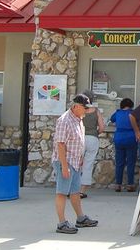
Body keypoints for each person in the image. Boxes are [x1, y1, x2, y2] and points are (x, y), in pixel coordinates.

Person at [52, 94, 98, 234]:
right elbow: (60, 144)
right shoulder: (64, 121)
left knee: (75, 192)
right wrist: (64, 167)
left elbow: (77, 140)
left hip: (75, 161)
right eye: (85, 108)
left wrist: (80, 157)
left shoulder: (78, 119)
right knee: (62, 193)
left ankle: (80, 218)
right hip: (65, 162)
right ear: (76, 106)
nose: (87, 110)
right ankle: (61, 223)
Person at [79, 91, 105, 198]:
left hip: (80, 139)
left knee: (76, 164)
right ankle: (82, 191)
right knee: (88, 164)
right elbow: (102, 128)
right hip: (92, 138)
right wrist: (95, 133)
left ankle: (72, 189)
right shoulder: (96, 111)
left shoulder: (79, 110)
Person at [109, 98, 137, 192]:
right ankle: (130, 184)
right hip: (131, 138)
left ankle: (118, 184)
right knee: (130, 163)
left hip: (119, 138)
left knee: (119, 162)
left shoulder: (118, 113)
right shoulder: (133, 113)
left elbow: (111, 120)